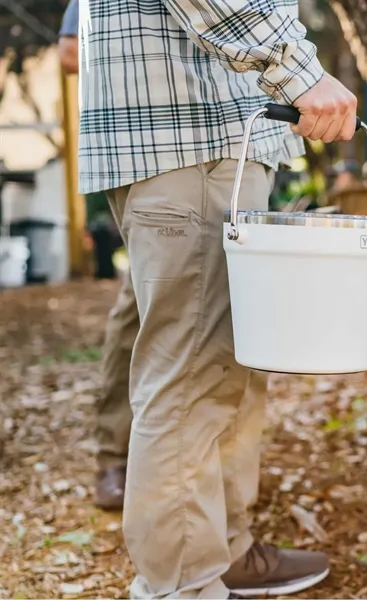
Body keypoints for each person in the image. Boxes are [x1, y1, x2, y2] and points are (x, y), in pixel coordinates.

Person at [78, 0, 357, 598]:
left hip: (203, 137)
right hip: (189, 137)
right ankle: (182, 583)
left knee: (228, 364)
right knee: (191, 378)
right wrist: (300, 71)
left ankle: (219, 551)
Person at [58, 0, 134, 511]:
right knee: (137, 307)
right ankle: (115, 457)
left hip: (232, 151)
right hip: (151, 147)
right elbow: (67, 52)